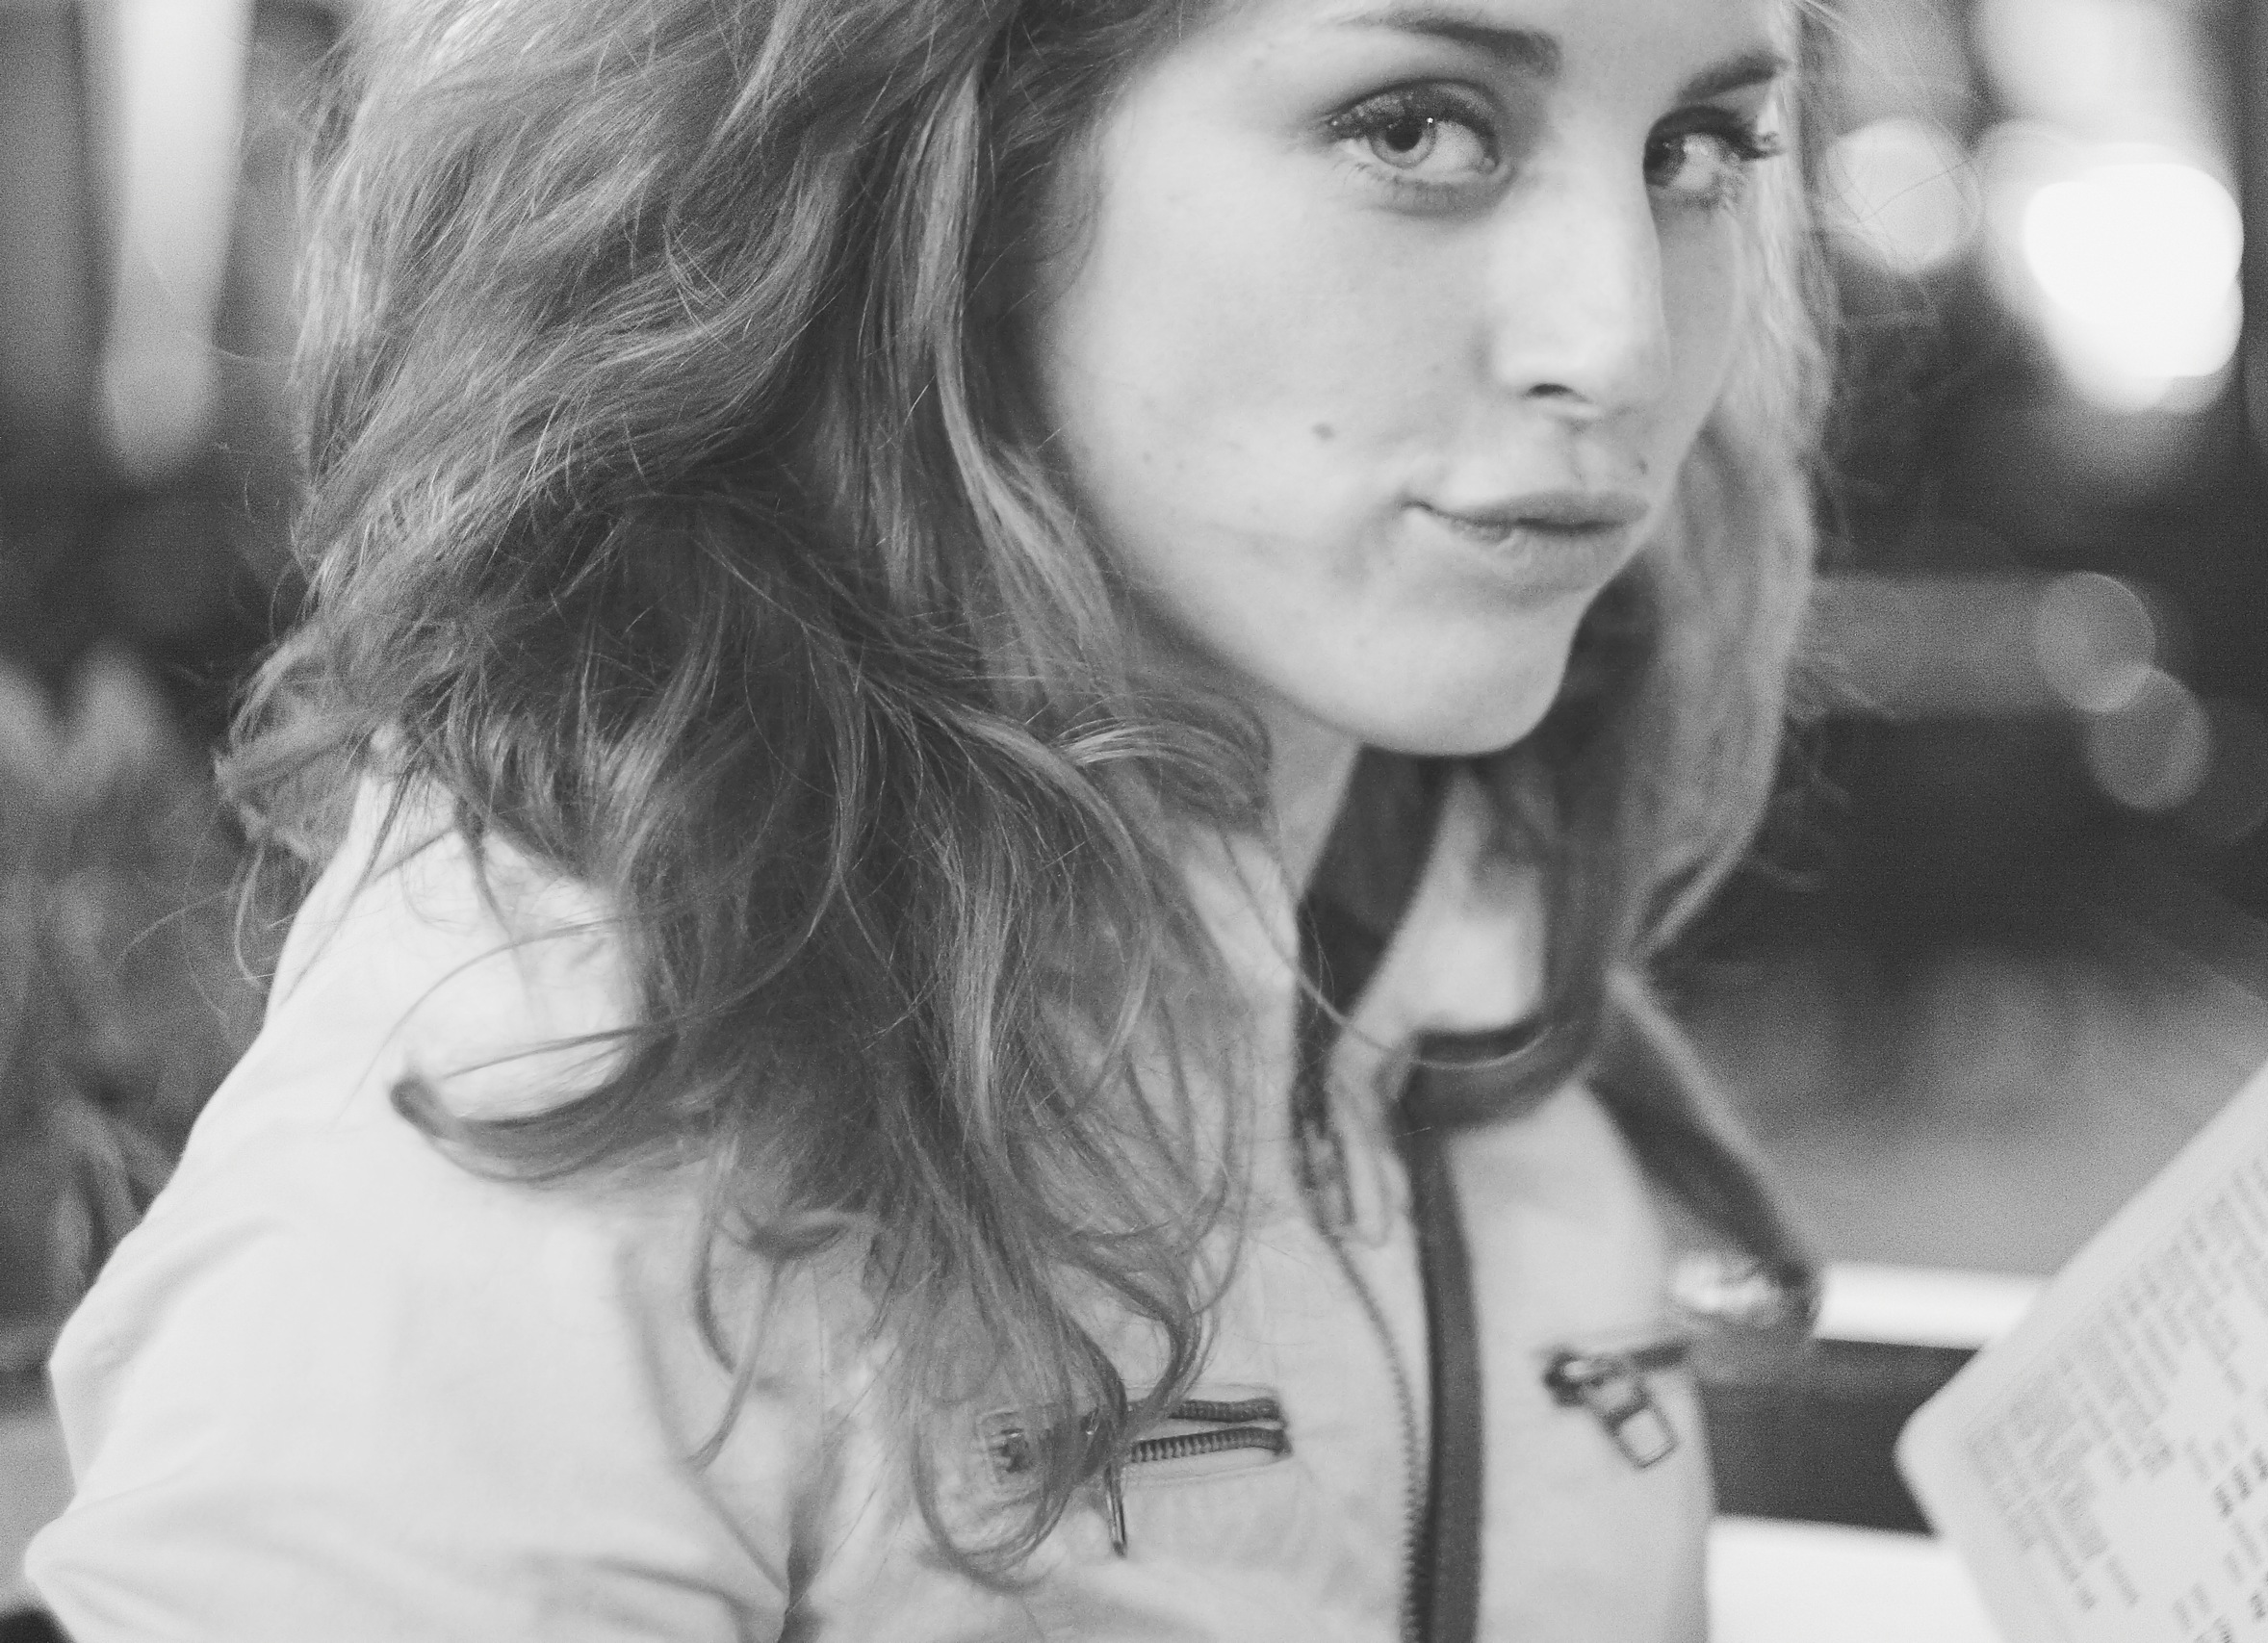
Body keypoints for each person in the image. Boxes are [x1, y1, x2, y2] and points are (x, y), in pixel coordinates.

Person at [26, 0, 1830, 1634]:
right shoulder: (561, 1093)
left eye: (1697, 151)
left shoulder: (1472, 941)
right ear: (949, 154)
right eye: (1414, 126)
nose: (1620, 340)